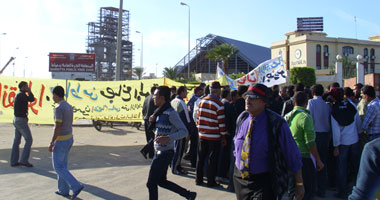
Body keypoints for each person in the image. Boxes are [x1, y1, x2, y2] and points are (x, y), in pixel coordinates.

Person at [233, 83, 304, 200]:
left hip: (264, 181)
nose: (248, 100)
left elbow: (292, 154)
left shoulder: (277, 123)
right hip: (241, 179)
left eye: (253, 97)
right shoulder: (242, 118)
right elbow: (235, 145)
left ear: (264, 101)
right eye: (246, 97)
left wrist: (299, 183)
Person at [146, 86, 196, 200]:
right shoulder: (159, 112)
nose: (153, 97)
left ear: (162, 98)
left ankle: (188, 194)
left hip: (164, 153)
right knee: (161, 182)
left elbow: (184, 131)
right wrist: (152, 122)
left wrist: (168, 138)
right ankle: (188, 194)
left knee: (151, 183)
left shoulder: (170, 113)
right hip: (160, 151)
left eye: (155, 95)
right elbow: (160, 131)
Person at [285, 91, 324, 200]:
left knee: (292, 190)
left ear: (293, 103)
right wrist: (318, 160)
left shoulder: (287, 117)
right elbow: (310, 142)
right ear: (306, 103)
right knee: (306, 191)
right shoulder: (305, 117)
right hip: (304, 159)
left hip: (290, 158)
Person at [49, 86, 84, 199]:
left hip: (61, 140)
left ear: (55, 94)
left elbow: (58, 127)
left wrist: (52, 141)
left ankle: (75, 185)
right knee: (63, 165)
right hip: (69, 138)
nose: (52, 97)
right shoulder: (69, 106)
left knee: (58, 167)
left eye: (53, 95)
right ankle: (63, 190)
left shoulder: (59, 108)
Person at [329, 87, 362, 199]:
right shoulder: (351, 105)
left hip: (342, 143)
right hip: (354, 140)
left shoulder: (335, 109)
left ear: (334, 97)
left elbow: (336, 130)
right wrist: (359, 133)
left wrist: (336, 146)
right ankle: (359, 189)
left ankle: (342, 192)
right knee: (356, 167)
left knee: (342, 168)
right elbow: (358, 122)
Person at [196, 81, 227, 187]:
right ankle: (211, 181)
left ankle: (198, 179)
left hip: (202, 135)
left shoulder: (201, 101)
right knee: (212, 160)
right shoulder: (219, 104)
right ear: (217, 91)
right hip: (214, 136)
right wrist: (223, 136)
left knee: (200, 158)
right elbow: (221, 123)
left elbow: (197, 118)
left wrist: (200, 129)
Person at [307, 84, 331, 197]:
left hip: (315, 135)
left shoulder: (311, 102)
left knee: (313, 162)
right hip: (325, 135)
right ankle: (322, 189)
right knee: (323, 162)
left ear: (312, 93)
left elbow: (309, 118)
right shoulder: (327, 105)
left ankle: (313, 187)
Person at [10, 81, 35, 167]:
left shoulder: (19, 95)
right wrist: (30, 92)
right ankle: (24, 160)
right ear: (22, 87)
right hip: (21, 120)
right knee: (29, 140)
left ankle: (14, 161)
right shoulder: (21, 95)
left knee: (17, 141)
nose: (27, 87)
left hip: (17, 119)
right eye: (26, 86)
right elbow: (31, 99)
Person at [170, 86, 190, 174]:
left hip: (173, 130)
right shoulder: (181, 103)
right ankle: (175, 168)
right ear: (181, 92)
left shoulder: (173, 101)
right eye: (186, 92)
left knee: (175, 149)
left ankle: (175, 165)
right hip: (180, 130)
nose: (187, 93)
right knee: (179, 150)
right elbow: (186, 119)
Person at [185, 86, 204, 167]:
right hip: (195, 126)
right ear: (199, 92)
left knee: (193, 144)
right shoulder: (197, 100)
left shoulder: (191, 100)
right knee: (195, 145)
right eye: (202, 91)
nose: (203, 93)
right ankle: (194, 162)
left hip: (191, 125)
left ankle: (192, 161)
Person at [141, 86, 157, 159]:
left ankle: (151, 154)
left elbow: (143, 109)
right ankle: (145, 150)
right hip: (151, 120)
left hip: (146, 119)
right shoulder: (154, 99)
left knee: (149, 137)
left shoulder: (146, 98)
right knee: (154, 137)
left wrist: (144, 117)